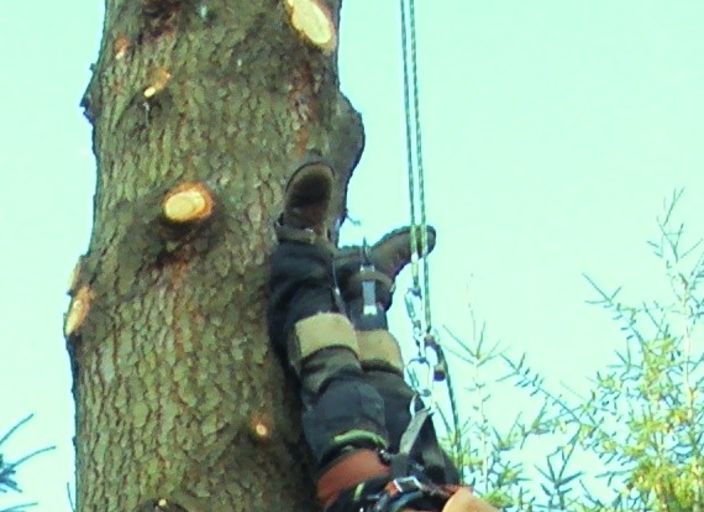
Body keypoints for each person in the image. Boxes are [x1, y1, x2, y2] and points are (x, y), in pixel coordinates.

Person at [267, 160, 497, 512]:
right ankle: (366, 284)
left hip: (363, 490)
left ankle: (301, 247)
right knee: (395, 397)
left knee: (339, 382)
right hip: (429, 490)